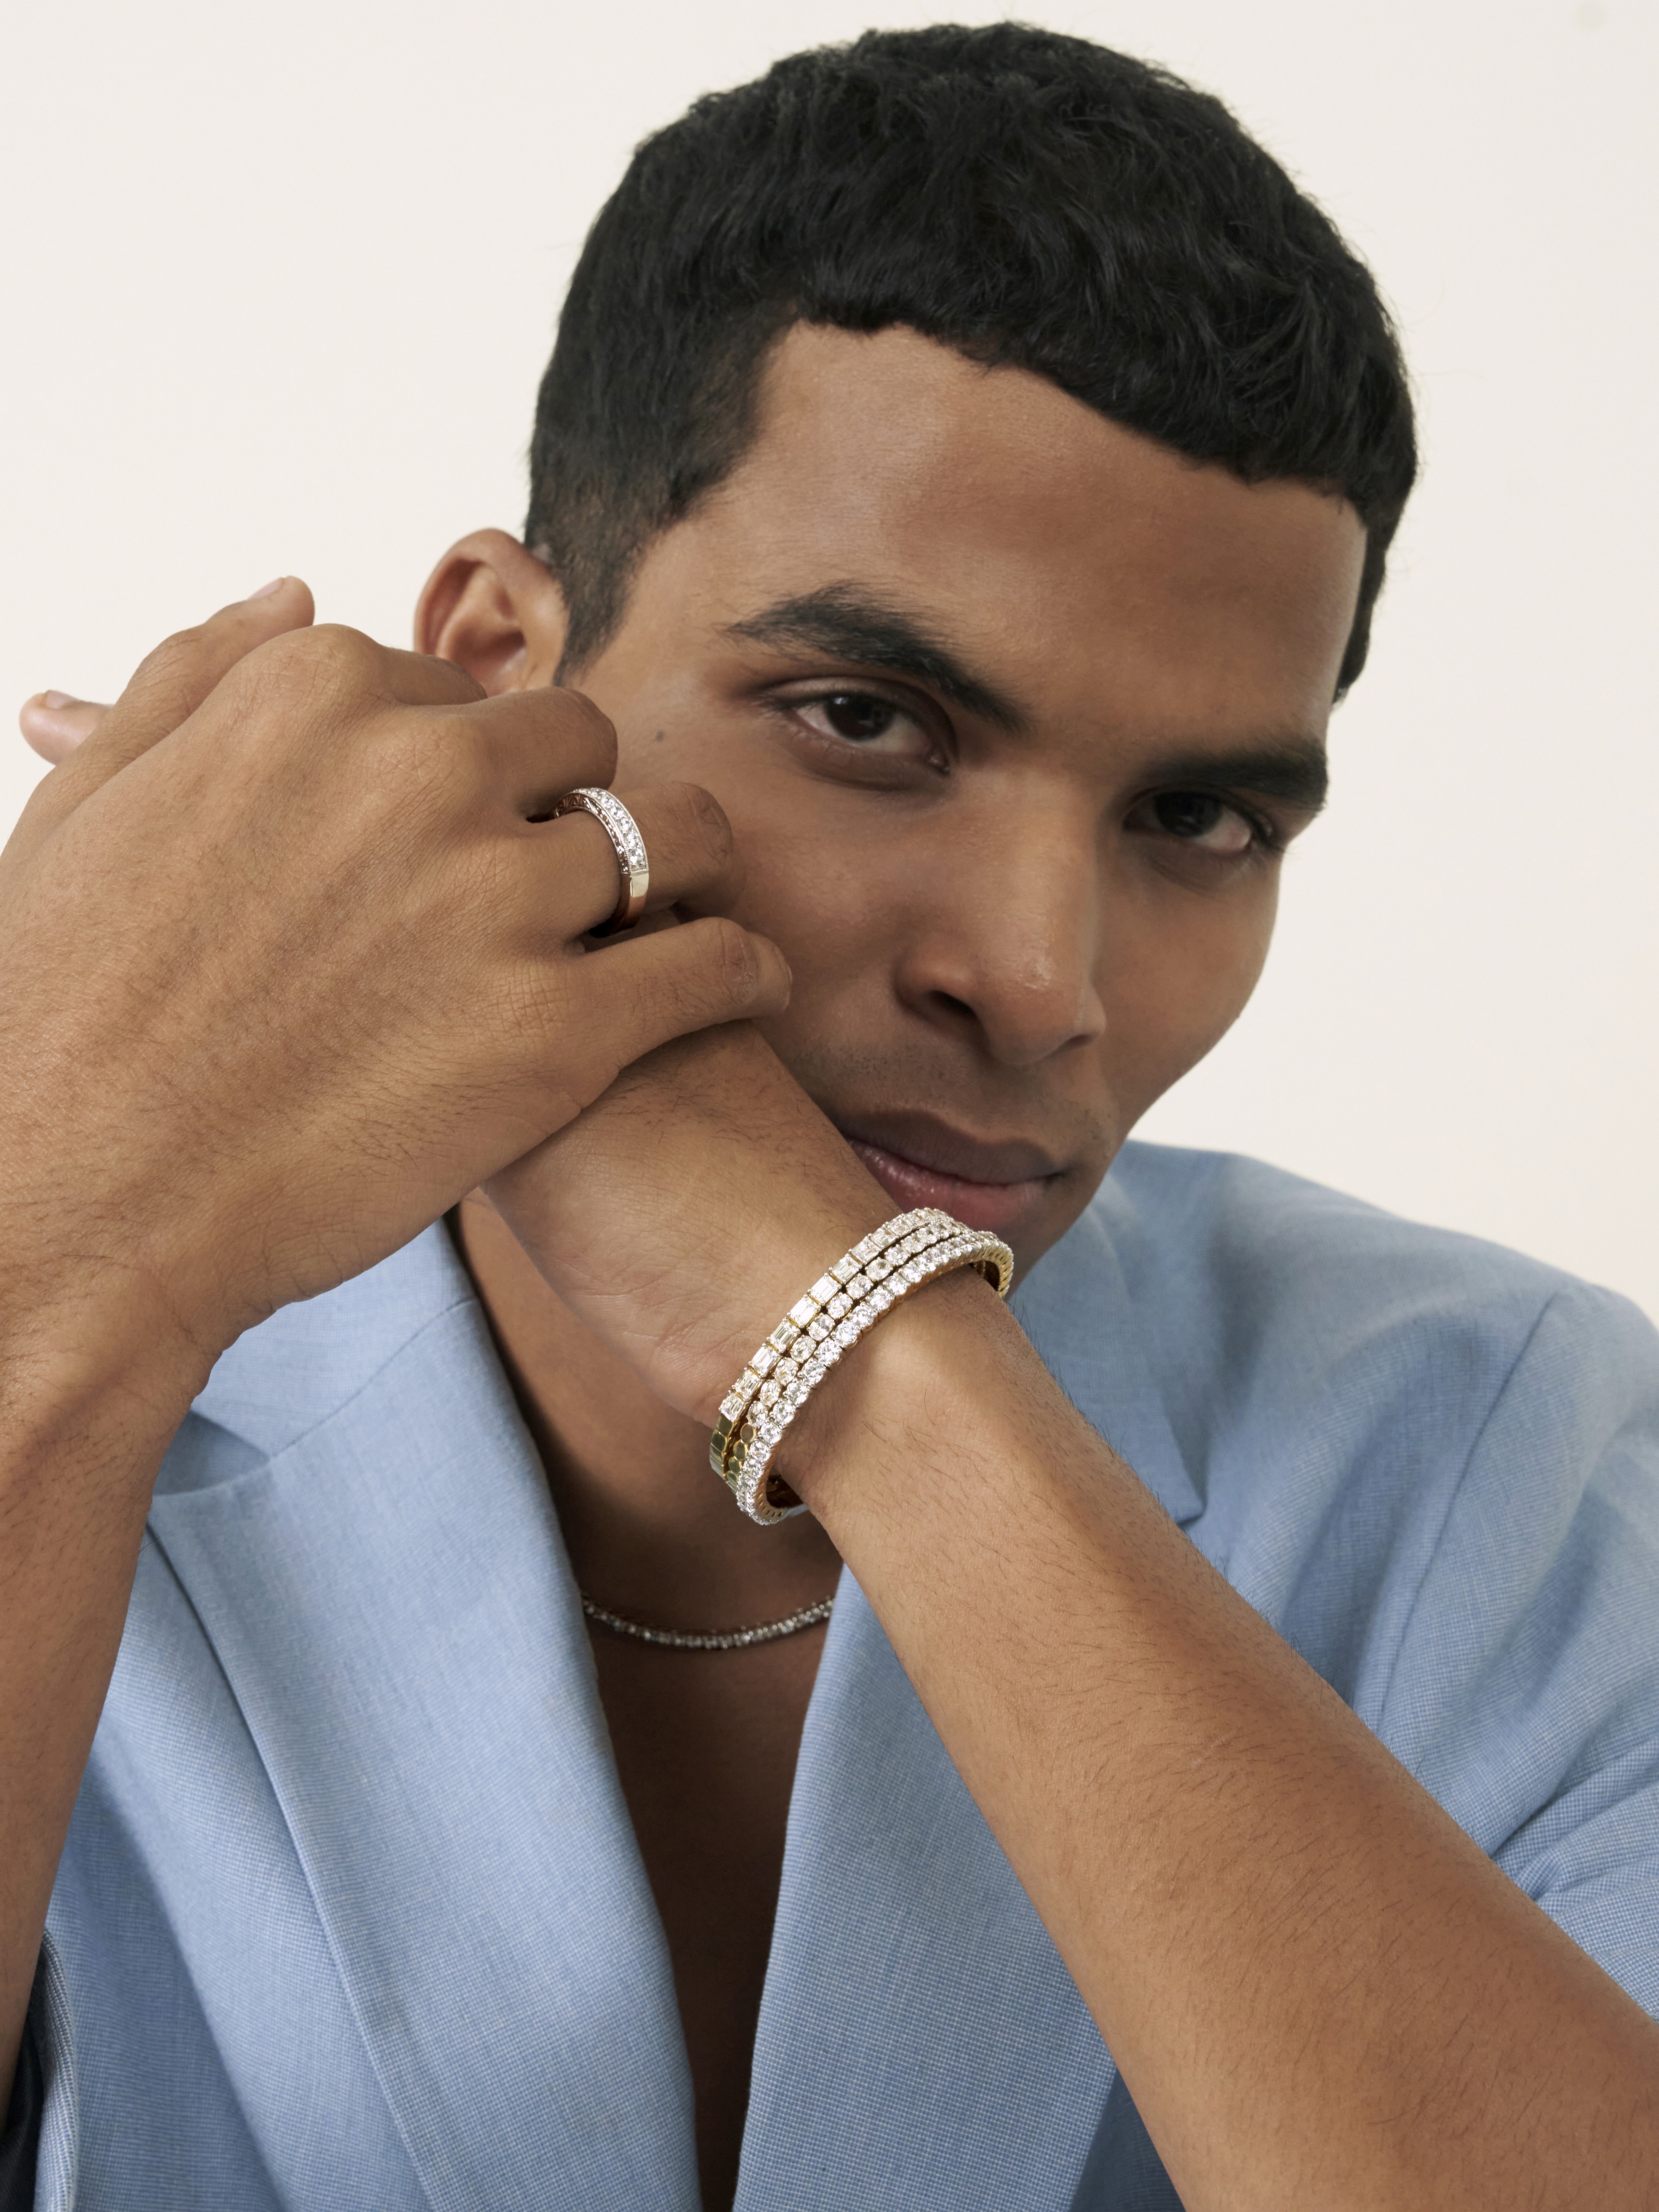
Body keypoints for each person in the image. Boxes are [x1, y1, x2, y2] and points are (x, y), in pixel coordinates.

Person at [3, 22, 1656, 2211]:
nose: (1043, 975)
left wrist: (859, 1335)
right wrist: (65, 1263)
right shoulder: (76, 1338)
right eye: (869, 718)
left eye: (1202, 816)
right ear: (504, 663)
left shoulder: (1516, 1460)